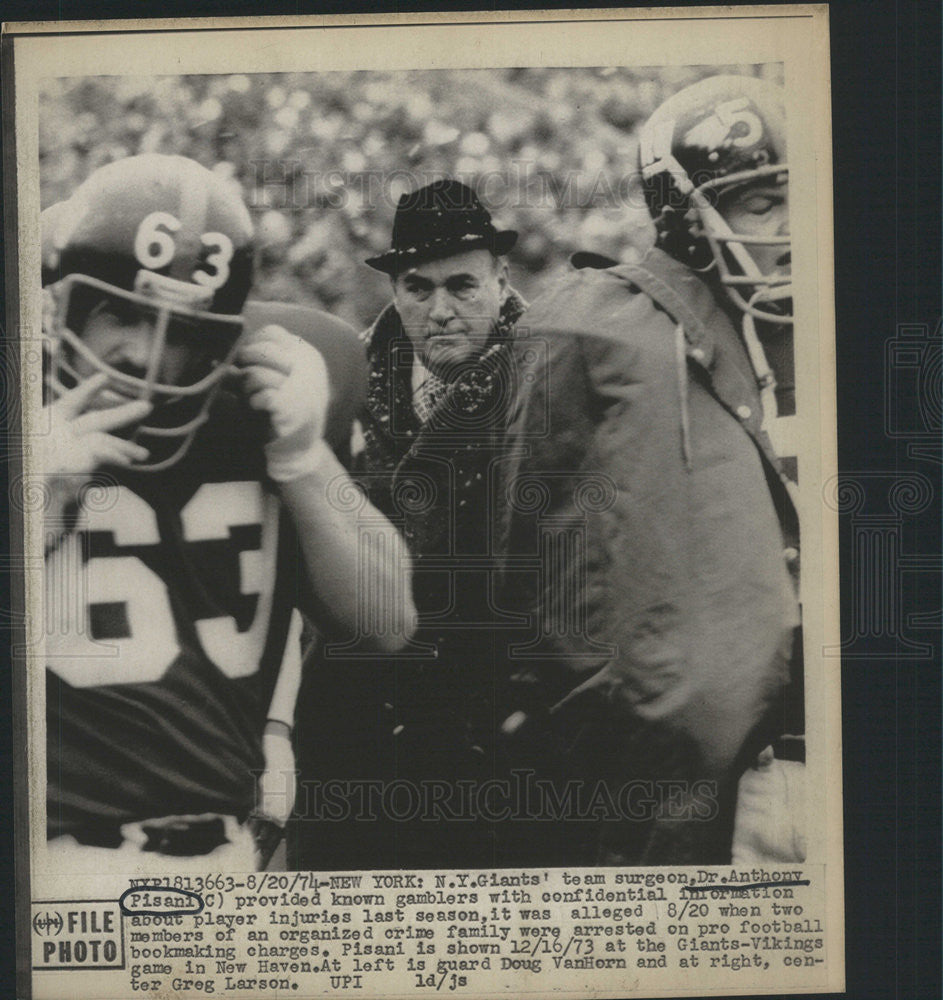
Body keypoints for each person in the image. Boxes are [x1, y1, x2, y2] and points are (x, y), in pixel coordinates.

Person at [39, 153, 415, 872]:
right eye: (119, 311)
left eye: (179, 329)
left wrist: (307, 457)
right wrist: (34, 492)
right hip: (48, 854)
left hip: (223, 855)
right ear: (61, 306)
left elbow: (390, 620)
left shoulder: (257, 413)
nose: (145, 356)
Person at [498, 75, 801, 867]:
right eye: (760, 202)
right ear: (686, 214)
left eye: (803, 196)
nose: (793, 227)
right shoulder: (600, 331)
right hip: (725, 786)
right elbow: (549, 596)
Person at [293, 179, 527, 869]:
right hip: (352, 738)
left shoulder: (550, 379)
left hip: (497, 743)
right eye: (417, 288)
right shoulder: (346, 385)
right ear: (393, 289)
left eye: (462, 286)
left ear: (501, 279)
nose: (441, 310)